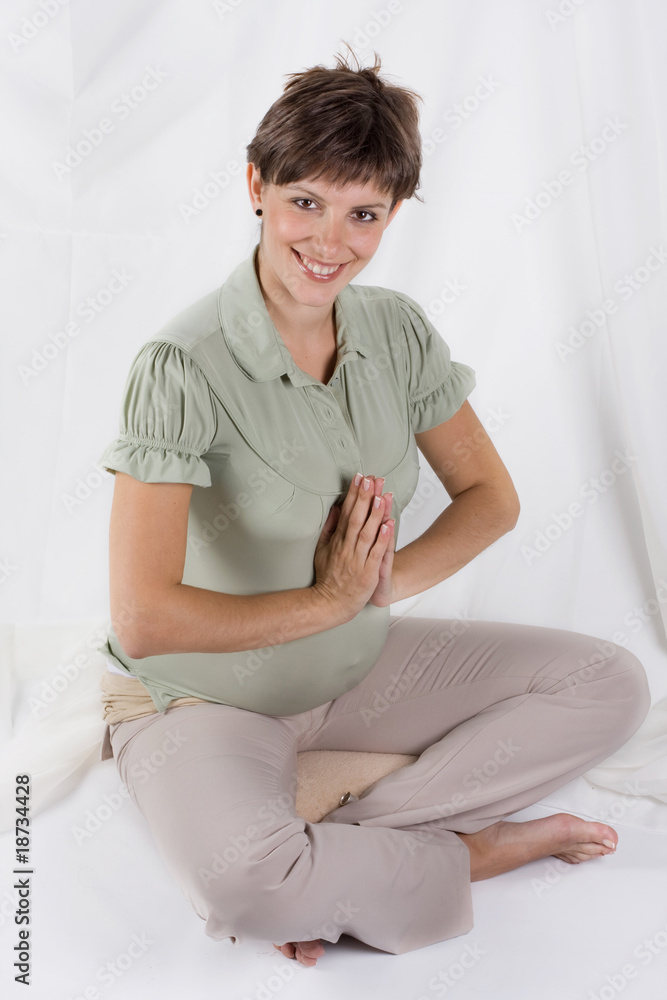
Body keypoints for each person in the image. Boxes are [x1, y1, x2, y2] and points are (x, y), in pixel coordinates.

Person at [96, 47, 651, 966]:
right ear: (256, 187)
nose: (330, 241)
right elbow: (144, 621)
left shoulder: (394, 329)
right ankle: (466, 852)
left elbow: (490, 498)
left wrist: (378, 588)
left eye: (364, 214)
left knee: (610, 684)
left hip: (352, 667)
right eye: (306, 201)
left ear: (392, 214)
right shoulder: (179, 366)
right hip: (201, 697)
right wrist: (325, 601)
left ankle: (338, 854)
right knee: (240, 881)